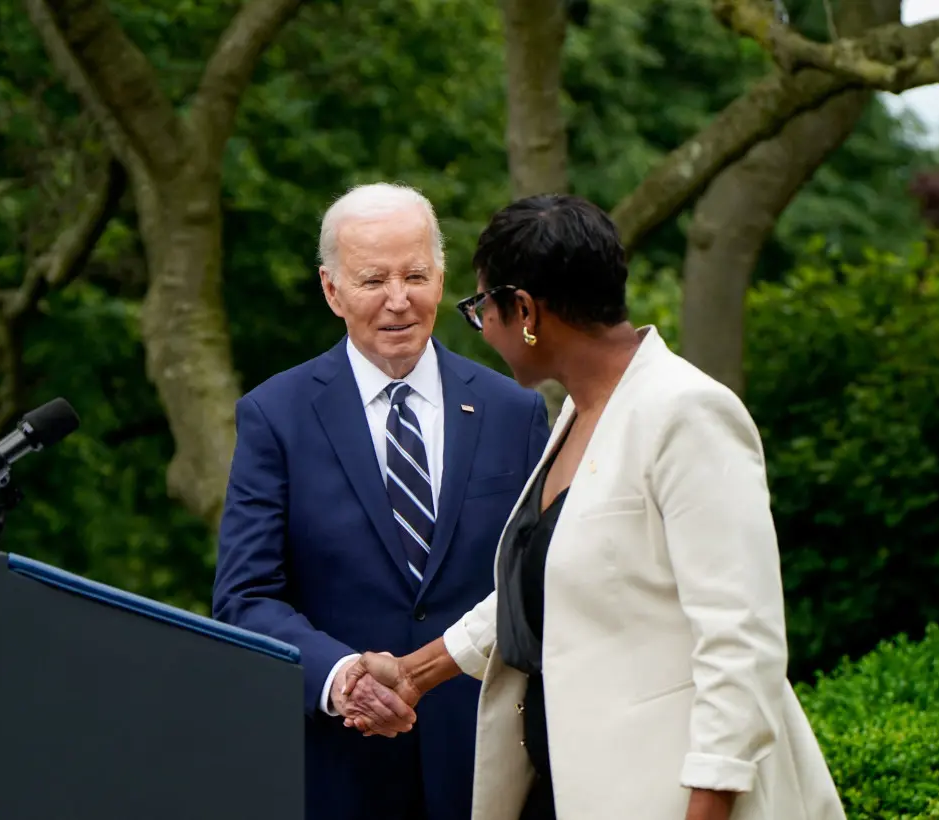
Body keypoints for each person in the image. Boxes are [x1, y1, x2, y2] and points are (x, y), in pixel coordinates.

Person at [340, 194, 847, 820]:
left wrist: (709, 804)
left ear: (523, 310)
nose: (483, 330)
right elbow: (550, 583)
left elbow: (742, 639)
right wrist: (416, 673)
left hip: (667, 794)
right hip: (560, 786)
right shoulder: (580, 412)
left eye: (480, 309)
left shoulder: (686, 412)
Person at [211, 183, 551, 820]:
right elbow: (245, 597)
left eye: (416, 275)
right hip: (340, 772)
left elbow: (540, 579)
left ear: (442, 277)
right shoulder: (275, 417)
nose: (399, 301)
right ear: (332, 289)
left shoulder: (516, 411)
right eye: (373, 280)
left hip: (489, 770)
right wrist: (342, 678)